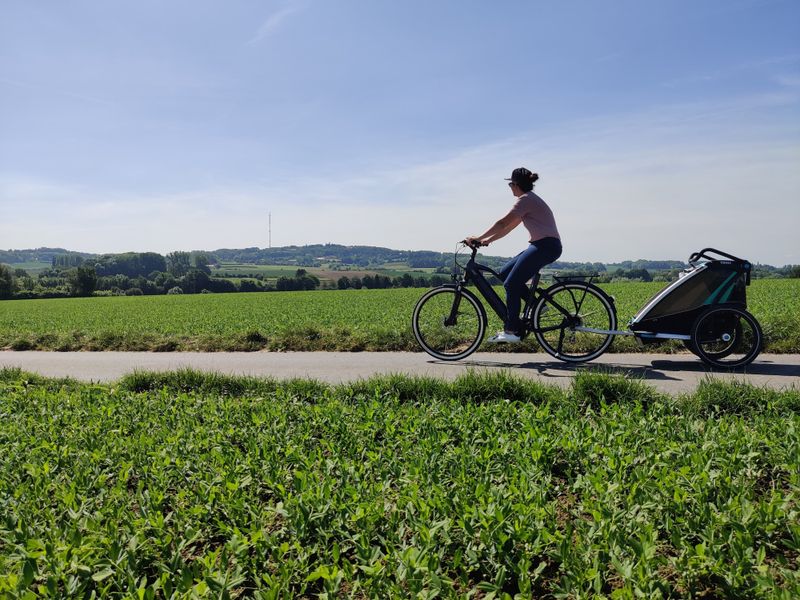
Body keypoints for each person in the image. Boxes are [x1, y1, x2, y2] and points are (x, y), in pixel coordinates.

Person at [465, 167, 562, 343]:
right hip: (543, 245)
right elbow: (508, 227)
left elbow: (502, 223)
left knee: (511, 284)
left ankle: (511, 331)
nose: (509, 187)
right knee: (504, 273)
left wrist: (478, 237)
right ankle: (537, 306)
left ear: (516, 185)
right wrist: (487, 241)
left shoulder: (525, 201)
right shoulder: (529, 201)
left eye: (510, 184)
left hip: (545, 246)